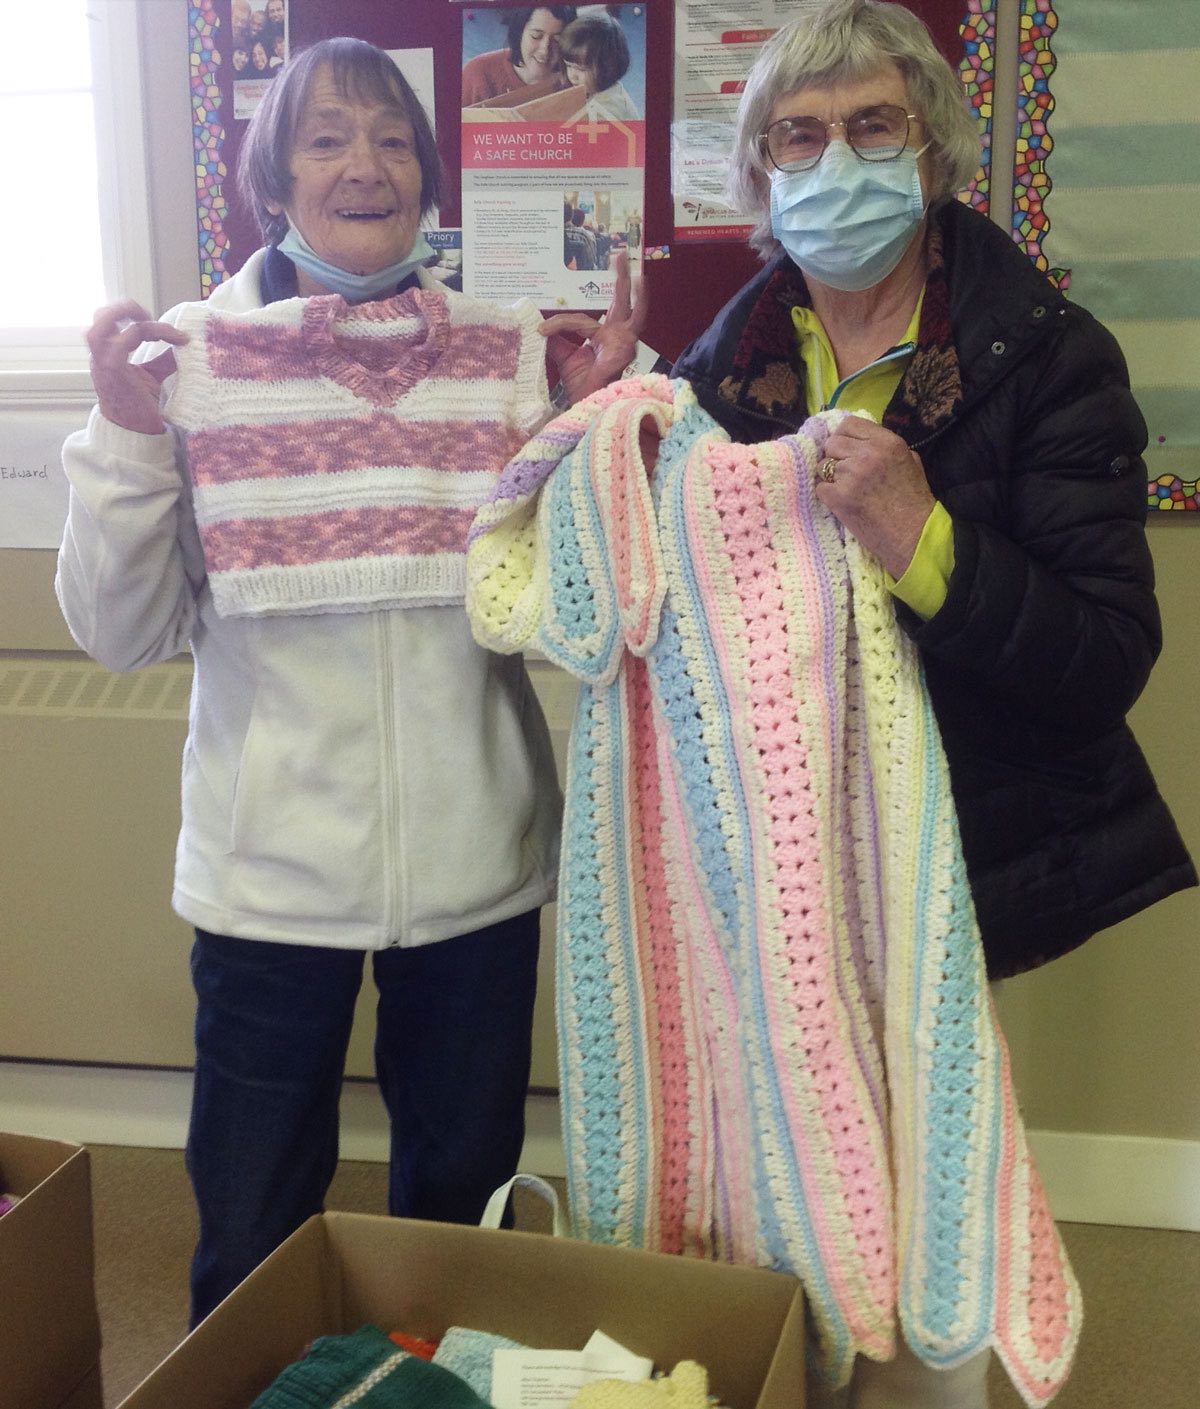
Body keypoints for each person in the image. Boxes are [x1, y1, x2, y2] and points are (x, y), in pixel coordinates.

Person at [56, 36, 645, 1328]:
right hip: (268, 881)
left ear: (430, 183)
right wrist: (126, 435)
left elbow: (580, 614)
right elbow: (120, 628)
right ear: (276, 182)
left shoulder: (503, 362)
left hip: (475, 870)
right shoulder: (193, 363)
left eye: (390, 138)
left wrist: (587, 424)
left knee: (460, 1220)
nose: (363, 164)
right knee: (257, 1228)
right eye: (326, 137)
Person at [660, 1, 1195, 1404]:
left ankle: (939, 1371)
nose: (833, 160)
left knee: (933, 1144)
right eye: (799, 133)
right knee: (787, 1137)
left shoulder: (1049, 355)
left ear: (937, 150)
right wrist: (620, 443)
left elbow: (1102, 651)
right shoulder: (716, 374)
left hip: (962, 839)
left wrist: (923, 537)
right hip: (779, 847)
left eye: (872, 124)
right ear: (760, 169)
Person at [461, 6, 576, 107]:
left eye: (557, 40)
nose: (544, 50)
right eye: (536, 36)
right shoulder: (478, 72)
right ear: (519, 33)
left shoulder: (577, 75)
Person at [559, 11, 640, 121]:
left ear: (607, 67)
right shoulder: (604, 89)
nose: (572, 76)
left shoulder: (606, 111)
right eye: (569, 66)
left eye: (581, 69)